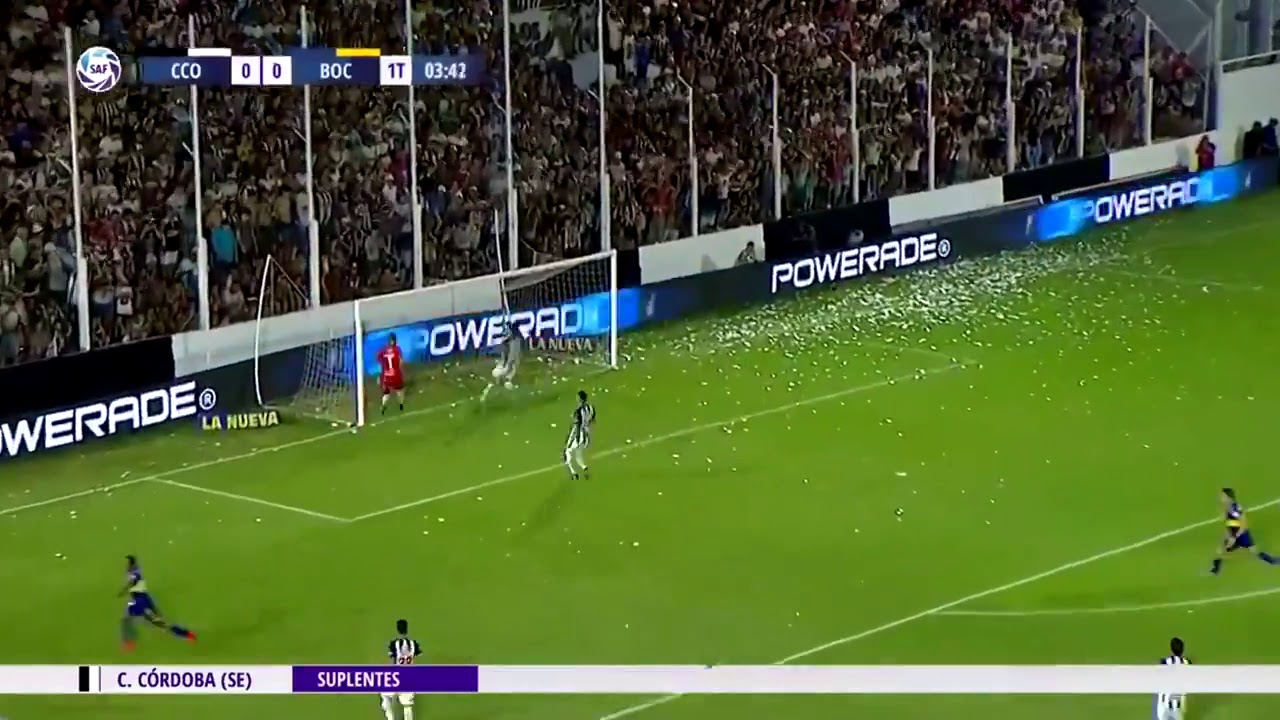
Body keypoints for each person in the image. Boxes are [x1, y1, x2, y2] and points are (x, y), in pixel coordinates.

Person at [381, 618, 422, 720]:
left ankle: (390, 717)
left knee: (384, 694)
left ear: (397, 629)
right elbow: (416, 658)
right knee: (407, 706)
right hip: (410, 678)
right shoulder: (413, 644)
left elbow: (392, 661)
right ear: (407, 629)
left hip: (397, 677)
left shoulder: (394, 644)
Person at [564, 390, 595, 480]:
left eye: (577, 397)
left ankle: (573, 473)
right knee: (578, 454)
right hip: (586, 434)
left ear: (580, 399)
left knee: (567, 451)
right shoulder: (591, 408)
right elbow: (593, 420)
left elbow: (577, 424)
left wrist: (576, 437)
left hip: (578, 433)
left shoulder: (578, 410)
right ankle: (585, 468)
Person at [376, 333, 405, 415]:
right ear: (395, 340)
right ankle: (401, 404)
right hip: (395, 375)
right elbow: (401, 362)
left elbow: (378, 359)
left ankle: (383, 405)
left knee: (386, 393)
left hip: (386, 375)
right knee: (400, 391)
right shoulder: (397, 349)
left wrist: (382, 369)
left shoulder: (383, 350)